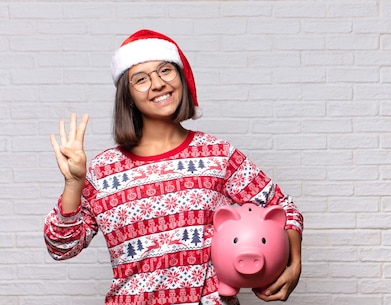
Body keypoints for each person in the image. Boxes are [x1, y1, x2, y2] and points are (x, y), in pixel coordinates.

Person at [43, 29, 304, 305]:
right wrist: (73, 185)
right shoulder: (102, 170)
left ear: (181, 77)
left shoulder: (217, 155)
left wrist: (294, 264)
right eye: (140, 79)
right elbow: (62, 247)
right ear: (128, 96)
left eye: (165, 70)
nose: (157, 84)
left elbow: (284, 208)